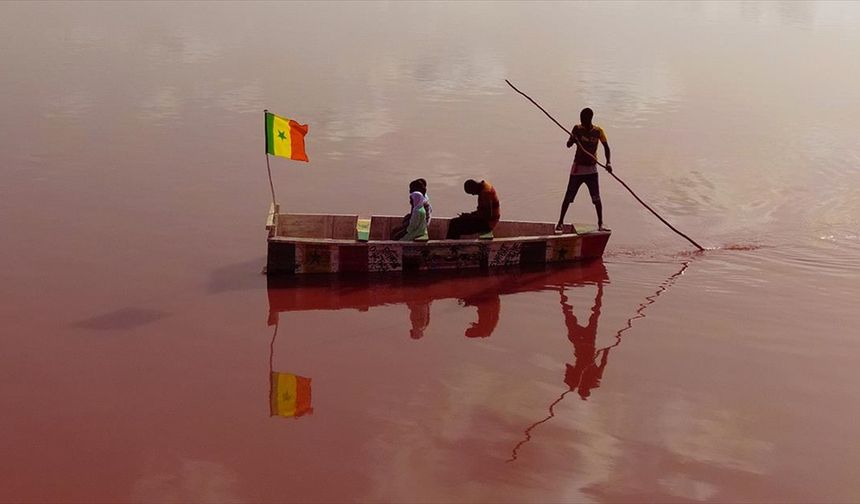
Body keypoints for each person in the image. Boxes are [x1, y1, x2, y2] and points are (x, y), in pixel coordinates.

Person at [556, 107, 612, 234]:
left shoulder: (598, 131)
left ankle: (600, 223)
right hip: (578, 169)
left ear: (589, 118)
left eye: (583, 118)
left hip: (592, 170)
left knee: (596, 198)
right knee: (568, 196)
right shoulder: (577, 129)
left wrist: (608, 162)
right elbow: (568, 144)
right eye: (581, 118)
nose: (581, 121)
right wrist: (574, 140)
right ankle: (560, 223)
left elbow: (606, 147)